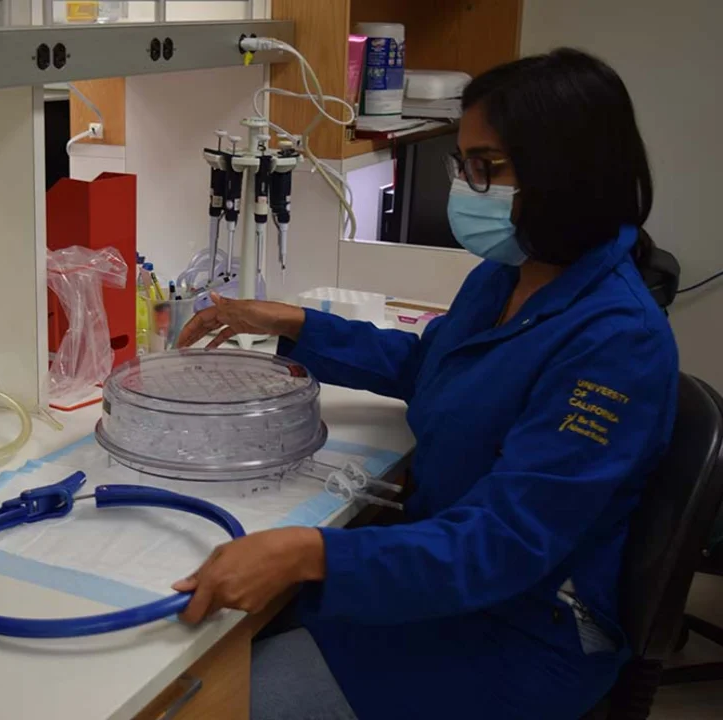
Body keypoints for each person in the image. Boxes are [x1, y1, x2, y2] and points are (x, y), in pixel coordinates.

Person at [172, 48, 679, 720]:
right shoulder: (505, 276)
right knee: (227, 652)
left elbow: (503, 544)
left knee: (220, 703)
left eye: (486, 167)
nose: (467, 187)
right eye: (465, 164)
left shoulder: (618, 342)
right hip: (440, 578)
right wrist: (295, 321)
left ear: (567, 169)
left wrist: (308, 550)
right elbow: (430, 368)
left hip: (520, 632)